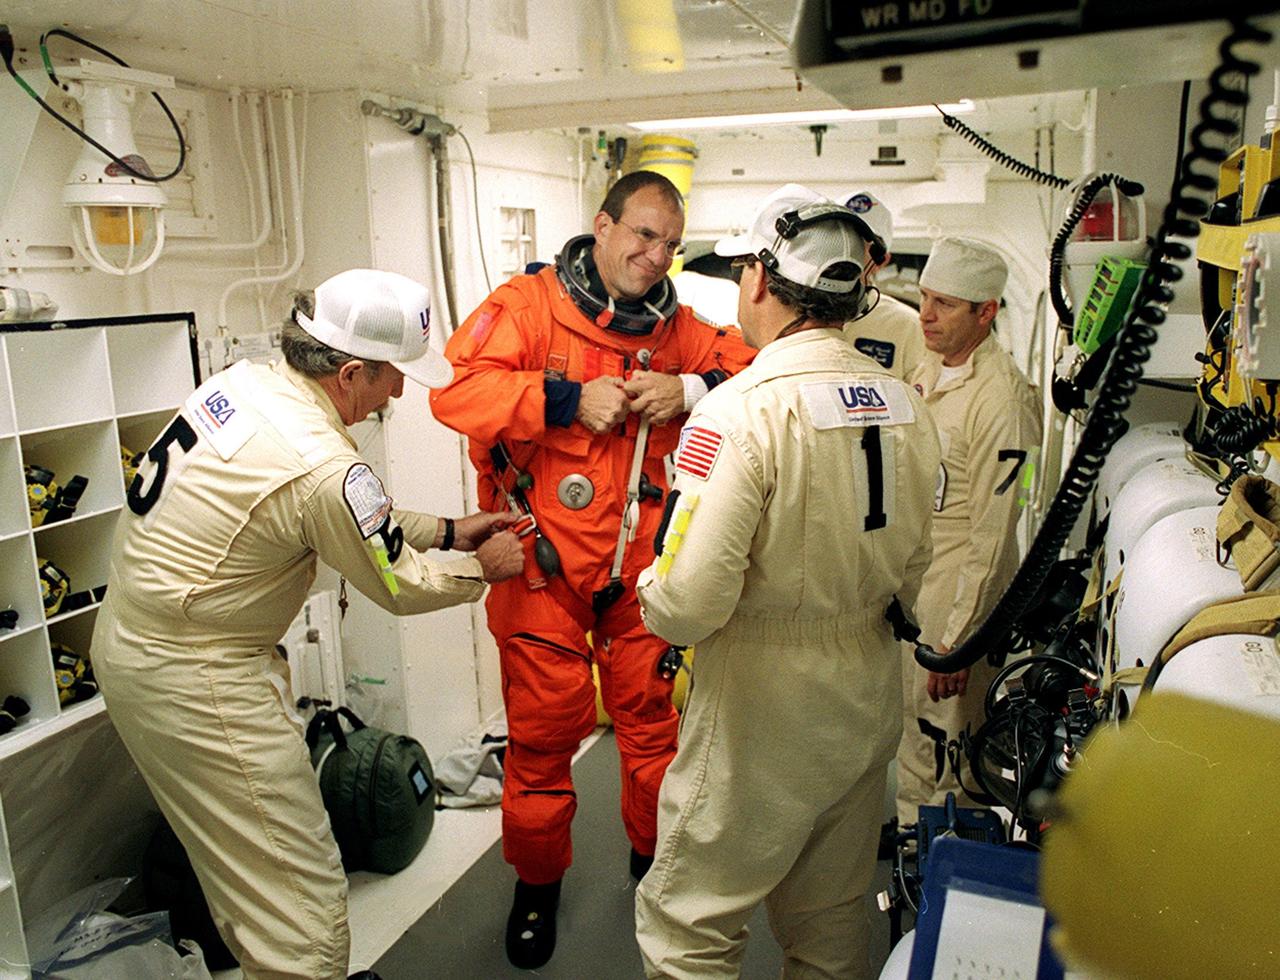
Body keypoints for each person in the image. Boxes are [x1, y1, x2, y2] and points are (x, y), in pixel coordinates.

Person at [91, 269, 525, 980]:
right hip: (197, 679)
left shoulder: (248, 384)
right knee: (303, 899)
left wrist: (451, 529)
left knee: (248, 874)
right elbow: (399, 583)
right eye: (392, 379)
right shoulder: (320, 463)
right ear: (351, 372)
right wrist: (488, 566)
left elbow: (344, 518)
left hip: (142, 647)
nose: (398, 395)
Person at [428, 170, 754, 970]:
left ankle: (653, 874)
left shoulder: (680, 332)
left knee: (655, 737)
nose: (656, 256)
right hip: (541, 570)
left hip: (641, 576)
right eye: (643, 235)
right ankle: (536, 889)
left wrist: (686, 387)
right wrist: (568, 400)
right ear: (602, 226)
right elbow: (455, 393)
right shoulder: (529, 307)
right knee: (543, 743)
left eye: (671, 244)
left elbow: (757, 368)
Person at [633, 183, 941, 979]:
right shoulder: (908, 405)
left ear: (763, 281)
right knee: (831, 918)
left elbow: (688, 604)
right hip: (867, 683)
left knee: (688, 923)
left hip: (762, 703)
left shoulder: (740, 414)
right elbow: (915, 567)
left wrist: (651, 595)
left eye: (742, 271)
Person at [894, 236, 1042, 826]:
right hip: (918, 585)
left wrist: (961, 639)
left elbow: (995, 531)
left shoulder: (1003, 400)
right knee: (914, 737)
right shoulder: (928, 370)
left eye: (946, 305)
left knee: (950, 748)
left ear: (987, 312)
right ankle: (911, 842)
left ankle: (945, 870)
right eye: (926, 299)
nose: (926, 315)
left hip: (961, 595)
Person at [840, 190, 927, 381]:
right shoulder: (791, 311)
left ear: (881, 260)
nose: (845, 251)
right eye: (840, 238)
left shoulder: (907, 326)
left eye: (859, 243)